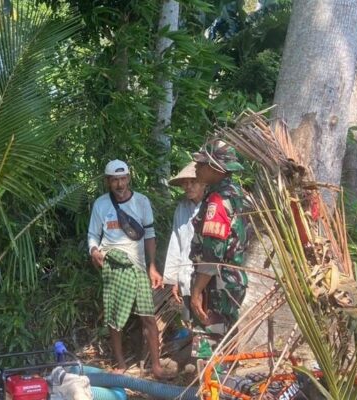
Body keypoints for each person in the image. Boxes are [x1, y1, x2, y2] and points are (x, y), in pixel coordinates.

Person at [87, 159, 172, 379]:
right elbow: (93, 235)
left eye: (123, 178)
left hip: (138, 266)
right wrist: (94, 250)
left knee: (148, 316)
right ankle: (121, 363)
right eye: (115, 180)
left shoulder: (142, 202)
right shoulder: (101, 204)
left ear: (129, 178)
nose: (120, 184)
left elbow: (150, 235)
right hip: (113, 266)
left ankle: (156, 366)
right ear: (108, 182)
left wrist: (152, 267)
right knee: (115, 318)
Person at [189, 139, 249, 344]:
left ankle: (215, 376)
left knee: (210, 346)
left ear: (215, 167)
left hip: (216, 284)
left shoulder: (218, 200)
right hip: (231, 280)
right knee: (226, 342)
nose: (196, 167)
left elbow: (213, 252)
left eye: (201, 164)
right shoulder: (236, 193)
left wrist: (197, 290)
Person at [163, 162, 207, 328]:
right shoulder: (182, 208)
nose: (188, 186)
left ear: (203, 182)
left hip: (207, 275)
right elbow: (176, 243)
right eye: (185, 183)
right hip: (186, 273)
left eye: (192, 182)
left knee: (209, 321)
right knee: (190, 322)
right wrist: (174, 277)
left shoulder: (211, 207)